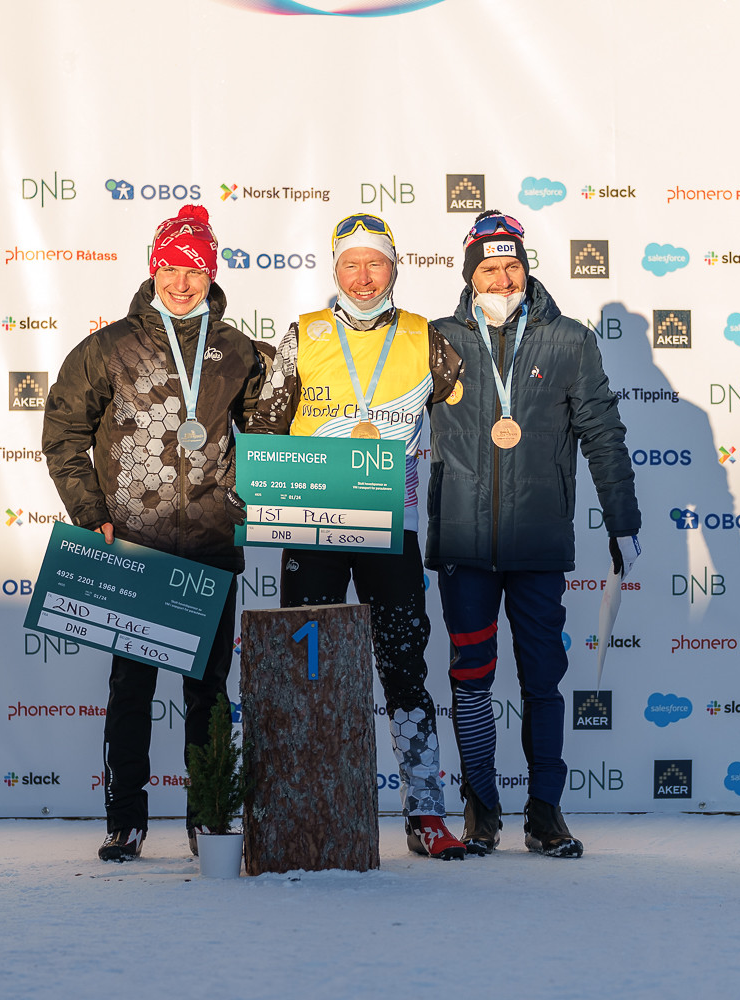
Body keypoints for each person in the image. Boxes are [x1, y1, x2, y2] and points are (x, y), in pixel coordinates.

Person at [42, 205, 264, 862]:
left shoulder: (237, 351)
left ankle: (209, 818)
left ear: (210, 274)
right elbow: (62, 436)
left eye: (194, 269)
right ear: (153, 268)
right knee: (131, 690)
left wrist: (258, 492)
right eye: (172, 267)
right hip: (132, 548)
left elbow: (270, 437)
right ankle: (125, 821)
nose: (182, 281)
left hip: (210, 547)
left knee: (207, 691)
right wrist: (92, 515)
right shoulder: (109, 348)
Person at [248, 213, 468, 860]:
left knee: (404, 667)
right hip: (313, 522)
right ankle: (304, 805)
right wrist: (265, 484)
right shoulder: (304, 335)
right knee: (306, 669)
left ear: (395, 268)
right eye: (351, 264)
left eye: (376, 263)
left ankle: (426, 814)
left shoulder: (429, 340)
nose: (364, 277)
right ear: (335, 270)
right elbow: (265, 423)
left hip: (389, 525)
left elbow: (467, 420)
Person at [425, 209, 642, 859]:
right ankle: (483, 809)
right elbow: (385, 419)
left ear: (527, 270)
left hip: (540, 541)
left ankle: (546, 812)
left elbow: (603, 435)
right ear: (470, 276)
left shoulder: (569, 341)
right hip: (464, 541)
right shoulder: (436, 340)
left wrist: (623, 521)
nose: (502, 278)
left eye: (512, 266)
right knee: (471, 677)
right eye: (488, 268)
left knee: (542, 677)